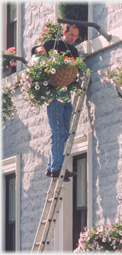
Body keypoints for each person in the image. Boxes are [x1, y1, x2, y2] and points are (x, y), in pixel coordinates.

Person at [39, 24, 80, 182]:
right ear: (64, 33)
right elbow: (39, 52)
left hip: (66, 92)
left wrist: (76, 83)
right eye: (71, 35)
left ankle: (52, 167)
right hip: (54, 92)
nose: (73, 38)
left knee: (63, 131)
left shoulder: (74, 51)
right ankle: (56, 167)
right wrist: (41, 52)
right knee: (57, 131)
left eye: (75, 36)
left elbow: (73, 72)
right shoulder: (52, 44)